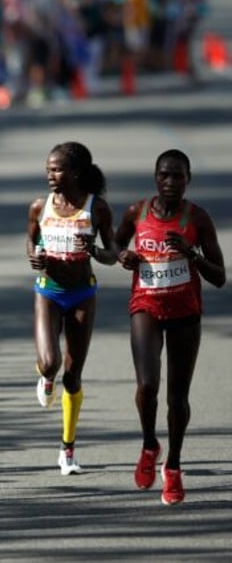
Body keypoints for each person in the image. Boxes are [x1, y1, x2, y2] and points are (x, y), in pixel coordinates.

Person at [113, 149, 225, 505]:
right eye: (164, 175)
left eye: (178, 176)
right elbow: (116, 243)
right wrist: (123, 256)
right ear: (155, 178)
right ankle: (150, 444)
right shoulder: (137, 212)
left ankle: (173, 467)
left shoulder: (198, 219)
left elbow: (220, 277)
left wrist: (192, 254)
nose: (171, 182)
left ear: (188, 179)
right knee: (147, 386)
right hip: (145, 304)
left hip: (185, 312)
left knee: (177, 398)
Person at [26, 141, 117, 476]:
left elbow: (114, 254)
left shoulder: (97, 209)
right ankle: (45, 378)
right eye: (48, 169)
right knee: (49, 364)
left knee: (73, 375)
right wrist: (35, 258)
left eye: (57, 169)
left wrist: (93, 249)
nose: (50, 175)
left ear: (75, 172)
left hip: (82, 295)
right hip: (48, 293)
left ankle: (67, 449)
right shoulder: (39, 206)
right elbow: (32, 241)